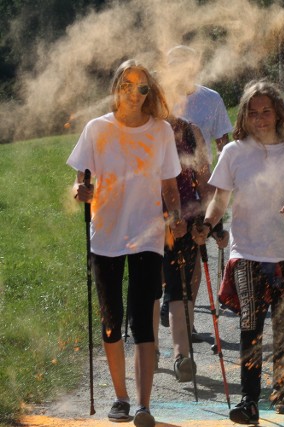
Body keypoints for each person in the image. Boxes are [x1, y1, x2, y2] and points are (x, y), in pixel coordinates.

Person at [68, 59, 186, 427]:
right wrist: (82, 192)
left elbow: (169, 186)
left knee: (142, 322)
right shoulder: (96, 129)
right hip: (105, 236)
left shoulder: (161, 131)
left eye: (143, 87)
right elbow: (81, 183)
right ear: (116, 87)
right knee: (110, 320)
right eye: (127, 85)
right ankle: (120, 397)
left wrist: (176, 216)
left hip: (147, 235)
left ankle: (143, 405)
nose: (134, 94)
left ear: (150, 93)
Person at [203, 81, 284, 424]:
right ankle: (249, 400)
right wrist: (207, 225)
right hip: (248, 250)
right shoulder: (234, 152)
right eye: (252, 112)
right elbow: (220, 200)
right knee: (250, 322)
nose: (260, 118)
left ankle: (281, 389)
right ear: (245, 117)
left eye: (266, 111)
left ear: (279, 113)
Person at [159, 45, 234, 343]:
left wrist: (219, 195)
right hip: (159, 195)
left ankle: (186, 325)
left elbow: (223, 144)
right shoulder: (160, 97)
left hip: (196, 191)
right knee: (165, 265)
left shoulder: (211, 99)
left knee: (192, 263)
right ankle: (169, 297)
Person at [161, 117, 215, 382]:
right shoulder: (143, 129)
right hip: (151, 218)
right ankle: (150, 349)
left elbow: (204, 179)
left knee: (182, 283)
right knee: (156, 286)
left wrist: (205, 223)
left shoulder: (191, 131)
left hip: (188, 217)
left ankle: (181, 355)